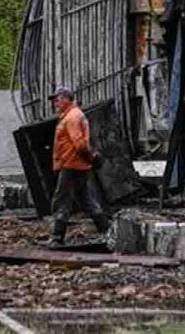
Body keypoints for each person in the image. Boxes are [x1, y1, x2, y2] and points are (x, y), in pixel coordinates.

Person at [47, 86, 110, 248]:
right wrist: (90, 160)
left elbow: (80, 144)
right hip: (78, 165)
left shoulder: (72, 117)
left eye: (58, 99)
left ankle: (57, 237)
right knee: (86, 200)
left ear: (68, 99)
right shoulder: (72, 116)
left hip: (71, 165)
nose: (55, 103)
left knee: (62, 200)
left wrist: (90, 157)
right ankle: (106, 230)